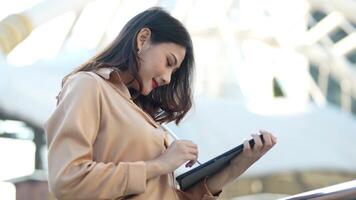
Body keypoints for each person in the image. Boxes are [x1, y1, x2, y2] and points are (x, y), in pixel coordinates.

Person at [44, 7, 277, 200]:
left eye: (174, 72)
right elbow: (68, 180)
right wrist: (161, 164)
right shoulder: (88, 86)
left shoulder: (137, 110)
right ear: (143, 39)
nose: (167, 78)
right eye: (168, 62)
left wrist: (238, 165)